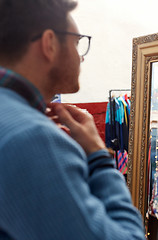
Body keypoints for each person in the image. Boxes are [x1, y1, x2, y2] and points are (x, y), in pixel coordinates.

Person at [0, 0, 145, 239]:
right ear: (49, 44)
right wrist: (98, 155)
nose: (81, 57)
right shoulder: (33, 138)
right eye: (77, 42)